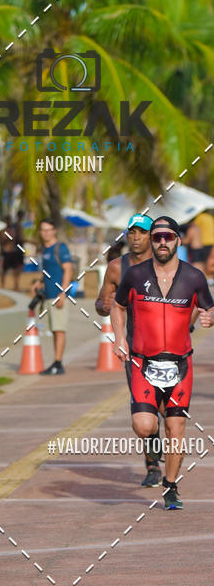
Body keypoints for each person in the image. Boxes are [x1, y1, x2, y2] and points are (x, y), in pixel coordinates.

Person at [111, 216, 214, 510]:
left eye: (168, 237)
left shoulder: (194, 277)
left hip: (180, 365)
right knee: (145, 426)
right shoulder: (134, 274)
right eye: (157, 238)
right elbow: (118, 306)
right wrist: (120, 339)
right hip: (143, 363)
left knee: (176, 429)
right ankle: (152, 443)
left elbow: (210, 307)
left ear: (178, 240)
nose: (162, 242)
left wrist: (209, 317)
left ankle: (170, 487)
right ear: (152, 242)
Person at [95, 213, 163, 487]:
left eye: (141, 233)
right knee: (144, 409)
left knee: (163, 409)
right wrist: (104, 304)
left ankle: (165, 458)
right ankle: (152, 466)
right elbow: (102, 302)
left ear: (151, 236)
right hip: (134, 350)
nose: (135, 238)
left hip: (167, 348)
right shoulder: (116, 267)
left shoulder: (164, 264)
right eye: (131, 232)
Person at [29, 218, 73, 375]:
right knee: (54, 330)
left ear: (54, 230)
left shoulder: (60, 248)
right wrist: (39, 282)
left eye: (48, 230)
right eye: (43, 230)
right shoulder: (44, 250)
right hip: (47, 295)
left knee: (59, 329)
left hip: (57, 295)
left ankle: (58, 363)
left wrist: (63, 293)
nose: (46, 233)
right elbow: (47, 271)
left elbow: (68, 270)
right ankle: (56, 361)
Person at [0, 210, 25, 290]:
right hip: (6, 253)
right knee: (4, 271)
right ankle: (3, 286)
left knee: (15, 270)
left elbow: (18, 239)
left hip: (13, 252)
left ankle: (16, 285)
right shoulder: (3, 231)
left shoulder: (14, 230)